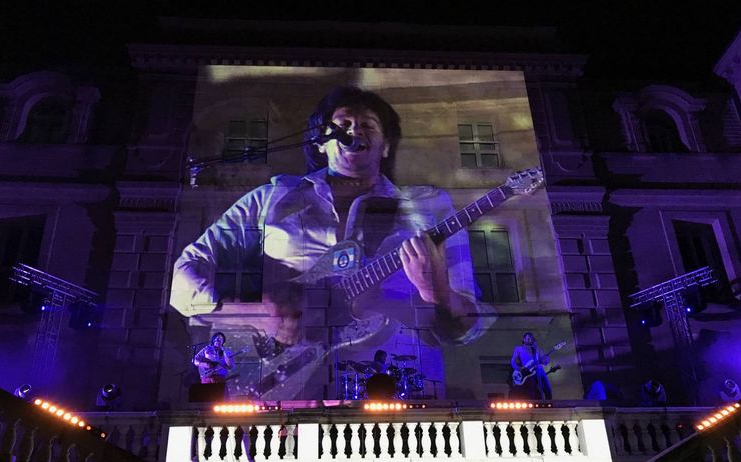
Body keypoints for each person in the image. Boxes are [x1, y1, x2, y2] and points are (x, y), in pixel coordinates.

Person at [172, 86, 491, 399]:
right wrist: (256, 312)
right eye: (343, 125)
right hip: (273, 384)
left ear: (386, 146)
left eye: (368, 125)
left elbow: (468, 327)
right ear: (320, 142)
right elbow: (182, 276)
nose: (355, 131)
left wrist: (438, 293)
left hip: (393, 384)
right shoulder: (271, 200)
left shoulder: (428, 206)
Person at [510, 332, 552, 400]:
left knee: (547, 388)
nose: (530, 340)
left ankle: (549, 404)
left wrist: (546, 360)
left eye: (531, 338)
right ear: (524, 339)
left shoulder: (537, 349)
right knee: (532, 390)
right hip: (527, 372)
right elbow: (513, 361)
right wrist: (518, 369)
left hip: (539, 370)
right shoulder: (519, 348)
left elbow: (545, 362)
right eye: (528, 338)